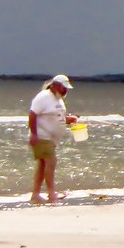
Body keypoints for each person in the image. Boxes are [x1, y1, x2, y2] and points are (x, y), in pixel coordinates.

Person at [28, 74, 79, 204]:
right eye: (63, 88)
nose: (65, 91)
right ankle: (51, 193)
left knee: (42, 164)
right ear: (56, 86)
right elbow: (32, 114)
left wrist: (69, 119)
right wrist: (34, 134)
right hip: (42, 136)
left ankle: (36, 194)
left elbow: (57, 116)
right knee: (51, 162)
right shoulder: (44, 97)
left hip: (51, 139)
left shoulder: (58, 99)